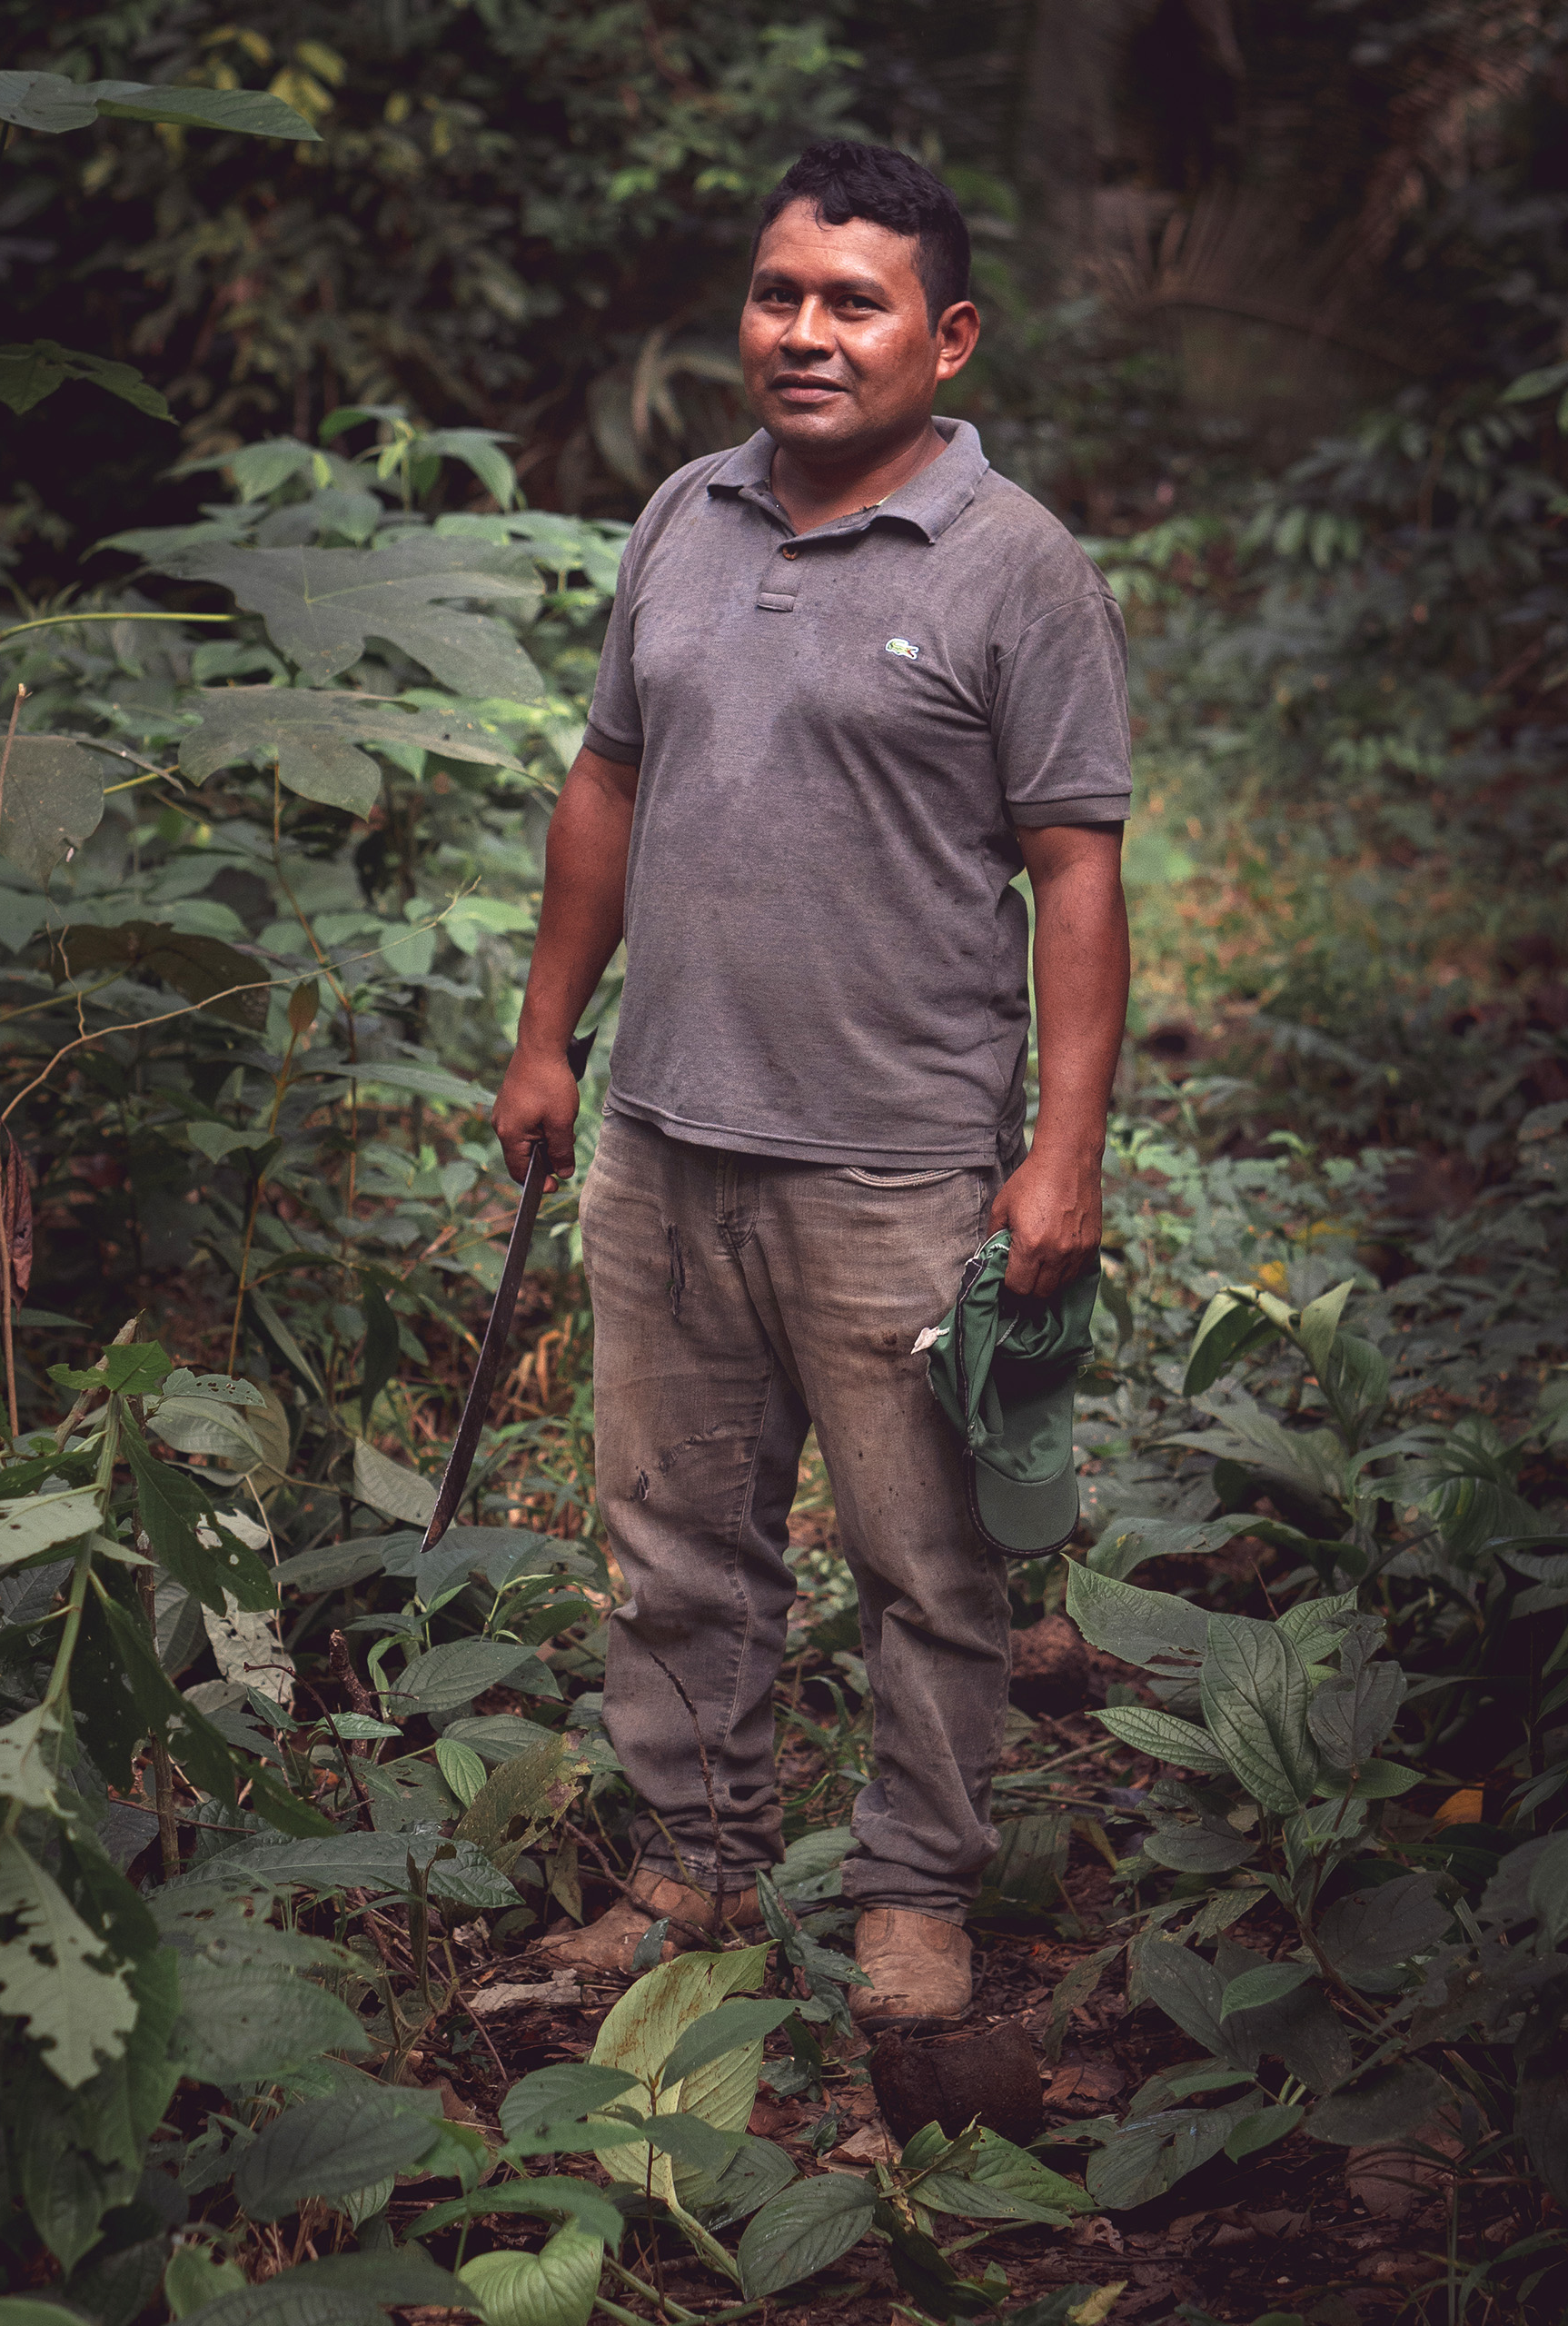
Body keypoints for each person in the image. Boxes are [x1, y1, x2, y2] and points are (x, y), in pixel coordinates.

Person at [492, 140, 1131, 2031]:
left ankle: (916, 1892)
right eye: (781, 294)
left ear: (945, 334)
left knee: (928, 1564)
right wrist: (545, 1034)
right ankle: (690, 1868)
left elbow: (1075, 869)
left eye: (854, 302)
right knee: (677, 1536)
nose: (806, 332)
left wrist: (1064, 1152)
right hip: (668, 1134)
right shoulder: (684, 517)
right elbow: (605, 784)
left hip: (893, 1159)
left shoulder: (1018, 566)